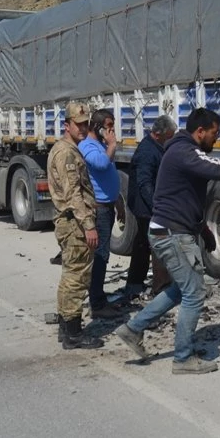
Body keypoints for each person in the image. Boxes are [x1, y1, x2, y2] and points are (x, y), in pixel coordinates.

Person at [114, 107, 220, 374]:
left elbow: (183, 198)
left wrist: (202, 230)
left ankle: (133, 328)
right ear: (200, 131)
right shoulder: (185, 152)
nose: (216, 140)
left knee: (181, 289)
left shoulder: (181, 150)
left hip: (172, 230)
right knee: (194, 294)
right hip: (172, 234)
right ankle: (182, 358)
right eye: (214, 134)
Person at [46, 101, 104, 350]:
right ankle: (73, 333)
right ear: (66, 125)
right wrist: (89, 225)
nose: (83, 128)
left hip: (70, 222)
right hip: (74, 223)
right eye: (78, 124)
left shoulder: (67, 148)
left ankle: (65, 326)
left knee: (71, 273)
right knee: (77, 276)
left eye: (85, 124)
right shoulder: (67, 153)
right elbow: (74, 195)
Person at [122, 114, 177, 300]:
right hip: (146, 206)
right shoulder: (147, 151)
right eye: (170, 135)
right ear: (158, 134)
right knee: (158, 243)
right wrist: (156, 207)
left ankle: (135, 283)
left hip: (147, 205)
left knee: (142, 244)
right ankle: (161, 288)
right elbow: (144, 183)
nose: (171, 139)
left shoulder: (156, 147)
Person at [79, 107, 120, 319]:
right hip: (99, 208)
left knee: (104, 253)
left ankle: (99, 297)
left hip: (108, 205)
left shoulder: (99, 144)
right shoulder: (87, 146)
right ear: (97, 126)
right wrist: (112, 145)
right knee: (101, 255)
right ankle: (97, 303)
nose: (112, 131)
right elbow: (102, 164)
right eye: (109, 126)